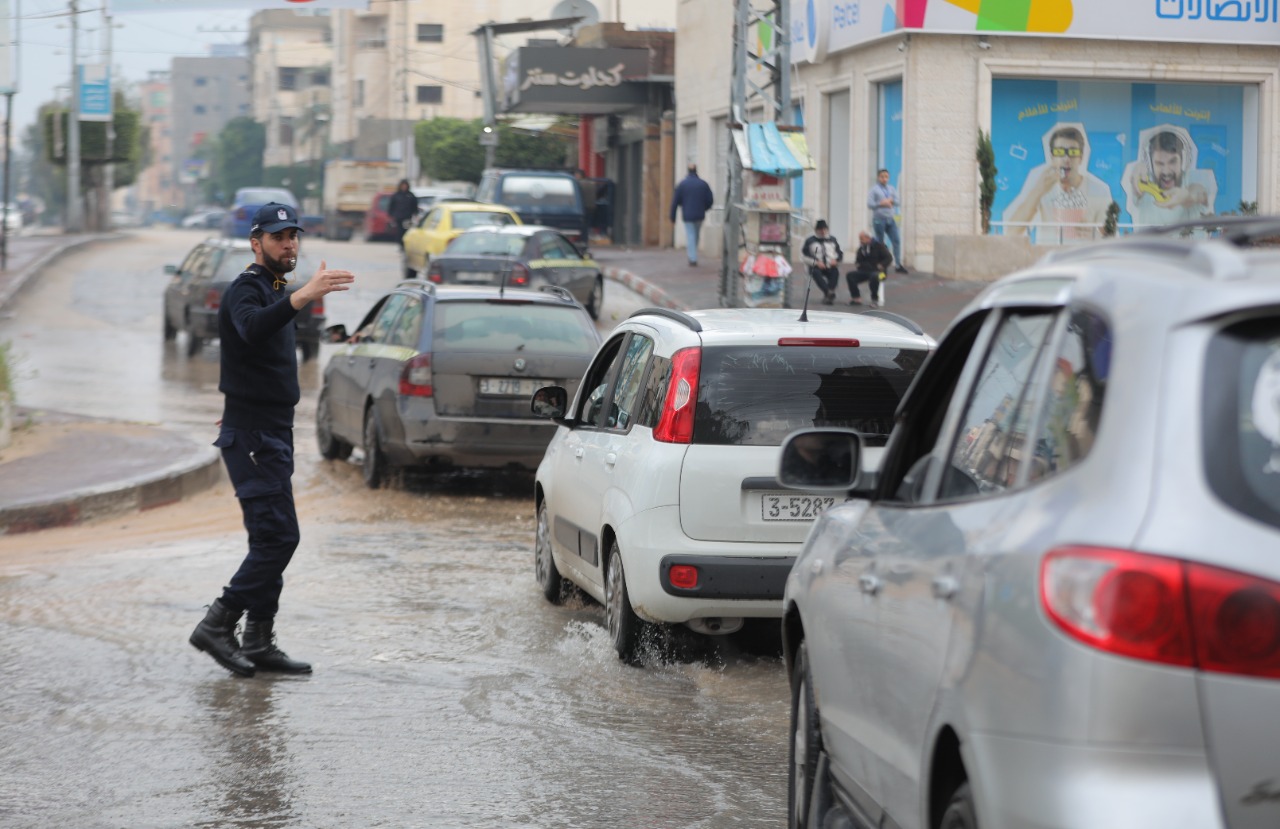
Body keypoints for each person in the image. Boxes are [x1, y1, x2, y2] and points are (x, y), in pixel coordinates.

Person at [189, 202, 355, 678]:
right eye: (279, 237)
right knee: (280, 537)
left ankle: (259, 637)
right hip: (252, 435)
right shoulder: (246, 288)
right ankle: (217, 622)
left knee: (270, 537)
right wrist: (304, 296)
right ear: (256, 241)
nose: (290, 244)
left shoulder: (277, 287)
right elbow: (251, 327)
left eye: (294, 236)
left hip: (274, 433)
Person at [1003, 123, 1113, 244]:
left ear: (1081, 158)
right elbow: (1012, 231)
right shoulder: (1042, 185)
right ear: (1052, 157)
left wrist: (1094, 234)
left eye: (1072, 152)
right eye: (1059, 152)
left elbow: (1111, 237)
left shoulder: (1099, 190)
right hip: (1052, 258)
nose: (1066, 159)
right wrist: (1038, 191)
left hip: (1084, 259)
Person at [1122, 125, 1216, 228]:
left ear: (1183, 160)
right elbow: (1134, 188)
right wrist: (1137, 170)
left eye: (1172, 162)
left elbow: (1200, 192)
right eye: (1159, 163)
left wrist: (1188, 196)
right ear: (1150, 163)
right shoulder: (1145, 182)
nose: (1166, 171)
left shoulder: (1192, 179)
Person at [670, 163, 715, 266]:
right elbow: (710, 200)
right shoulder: (703, 184)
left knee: (691, 235)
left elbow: (675, 202)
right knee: (696, 235)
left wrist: (672, 217)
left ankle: (692, 258)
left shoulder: (682, 184)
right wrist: (705, 208)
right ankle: (693, 255)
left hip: (688, 215)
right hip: (700, 214)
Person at [867, 168, 908, 273]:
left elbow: (898, 201)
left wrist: (891, 201)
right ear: (878, 177)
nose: (884, 179)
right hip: (879, 220)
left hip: (891, 219)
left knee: (896, 240)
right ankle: (881, 265)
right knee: (880, 243)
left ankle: (898, 265)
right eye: (882, 177)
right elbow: (870, 204)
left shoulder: (891, 189)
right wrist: (881, 203)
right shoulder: (874, 190)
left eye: (886, 177)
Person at [846, 230, 894, 307]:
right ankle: (856, 298)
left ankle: (875, 299)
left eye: (862, 239)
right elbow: (858, 261)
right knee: (850, 275)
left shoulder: (879, 246)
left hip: (882, 274)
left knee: (874, 276)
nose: (860, 241)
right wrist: (858, 264)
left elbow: (889, 258)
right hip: (866, 272)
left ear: (868, 238)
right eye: (860, 239)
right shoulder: (861, 249)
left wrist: (881, 265)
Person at [800, 219, 843, 305]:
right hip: (816, 266)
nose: (823, 231)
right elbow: (804, 256)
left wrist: (836, 260)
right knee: (815, 273)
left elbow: (839, 253)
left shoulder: (833, 240)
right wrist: (816, 262)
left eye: (824, 229)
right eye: (820, 230)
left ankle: (829, 292)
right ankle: (828, 292)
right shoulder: (810, 241)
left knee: (835, 272)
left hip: (830, 265)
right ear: (816, 230)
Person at [387, 179, 418, 248]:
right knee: (399, 232)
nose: (404, 187)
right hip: (398, 217)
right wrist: (391, 215)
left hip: (407, 218)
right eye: (403, 185)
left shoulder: (411, 195)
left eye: (405, 185)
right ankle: (400, 244)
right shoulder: (396, 195)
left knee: (406, 231)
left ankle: (405, 245)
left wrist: (415, 214)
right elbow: (391, 206)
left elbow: (414, 206)